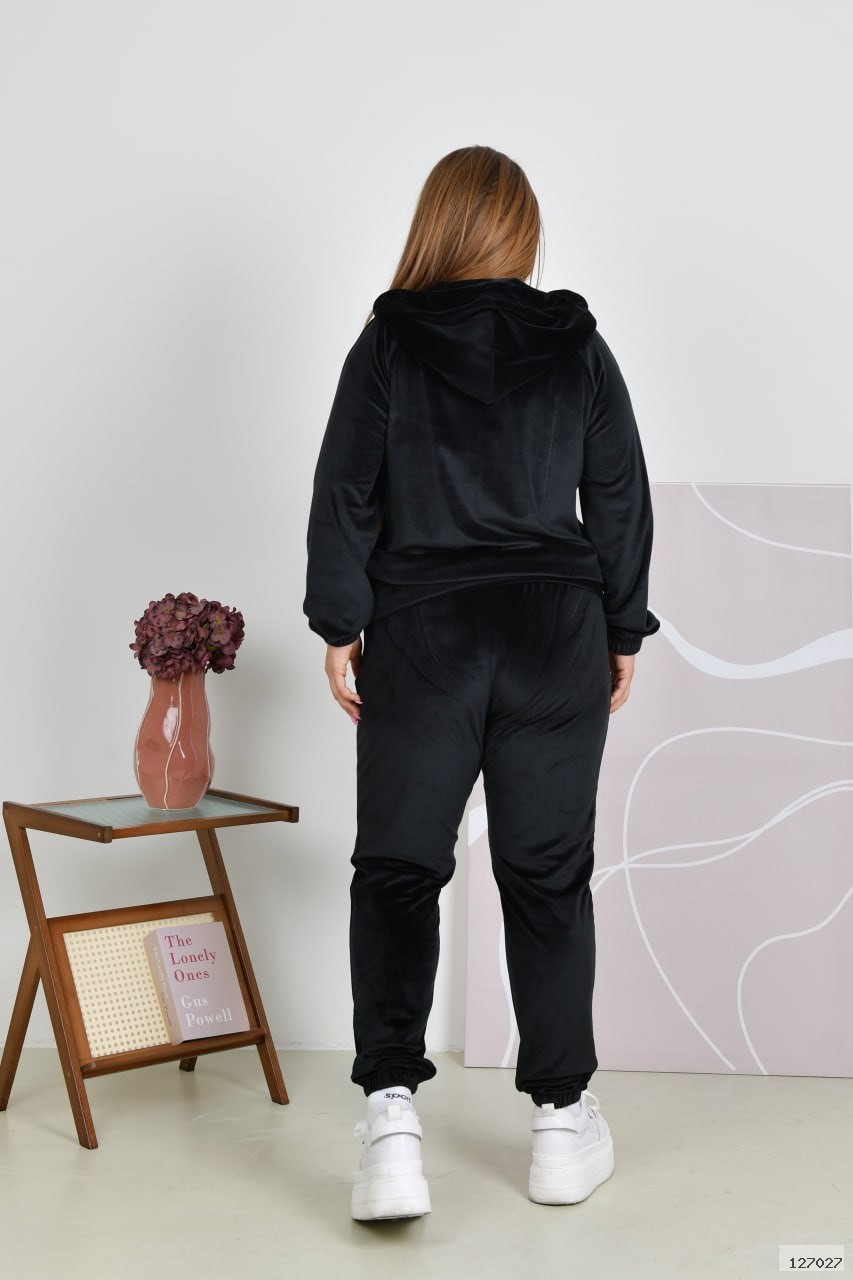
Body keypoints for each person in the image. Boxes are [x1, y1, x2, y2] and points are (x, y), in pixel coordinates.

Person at [303, 144, 660, 1221]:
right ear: (521, 232)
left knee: (398, 869)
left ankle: (390, 1124)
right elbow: (618, 493)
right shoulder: (577, 343)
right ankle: (560, 1125)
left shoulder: (388, 342)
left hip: (424, 632)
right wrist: (622, 627)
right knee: (546, 874)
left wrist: (340, 623)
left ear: (439, 225)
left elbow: (345, 489)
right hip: (555, 630)